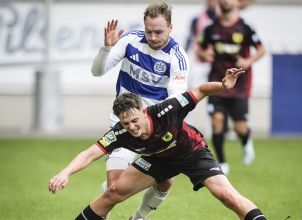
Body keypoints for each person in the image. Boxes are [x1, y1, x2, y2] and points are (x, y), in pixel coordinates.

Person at [48, 68, 266, 220]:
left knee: (226, 195)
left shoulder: (167, 109)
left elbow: (200, 91)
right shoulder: (121, 132)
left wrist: (223, 85)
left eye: (135, 120)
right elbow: (89, 154)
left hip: (192, 151)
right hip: (160, 159)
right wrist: (65, 173)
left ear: (144, 111)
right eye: (126, 123)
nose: (132, 127)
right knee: (113, 192)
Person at [91, 2, 189, 220]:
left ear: (170, 27)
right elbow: (97, 72)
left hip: (155, 128)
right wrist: (106, 48)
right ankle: (105, 199)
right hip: (126, 124)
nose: (153, 37)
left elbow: (176, 98)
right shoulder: (130, 41)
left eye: (159, 32)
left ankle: (139, 217)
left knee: (165, 181)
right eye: (149, 31)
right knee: (115, 188)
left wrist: (159, 120)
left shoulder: (177, 57)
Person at [197, 0, 265, 175]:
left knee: (239, 127)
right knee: (217, 122)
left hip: (240, 85)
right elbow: (200, 48)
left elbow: (261, 49)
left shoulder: (245, 27)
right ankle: (222, 163)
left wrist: (248, 61)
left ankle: (246, 140)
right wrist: (205, 54)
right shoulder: (211, 28)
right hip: (218, 82)